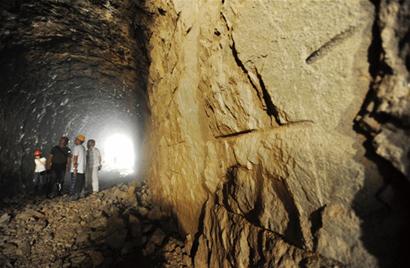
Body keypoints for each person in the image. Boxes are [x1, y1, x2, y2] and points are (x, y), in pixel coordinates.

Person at [70, 134, 87, 200]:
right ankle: (82, 194)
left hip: (77, 169)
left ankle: (74, 196)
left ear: (79, 140)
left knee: (74, 182)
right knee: (81, 182)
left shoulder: (76, 147)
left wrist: (74, 168)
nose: (75, 140)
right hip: (82, 169)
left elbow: (75, 158)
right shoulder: (83, 148)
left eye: (76, 139)